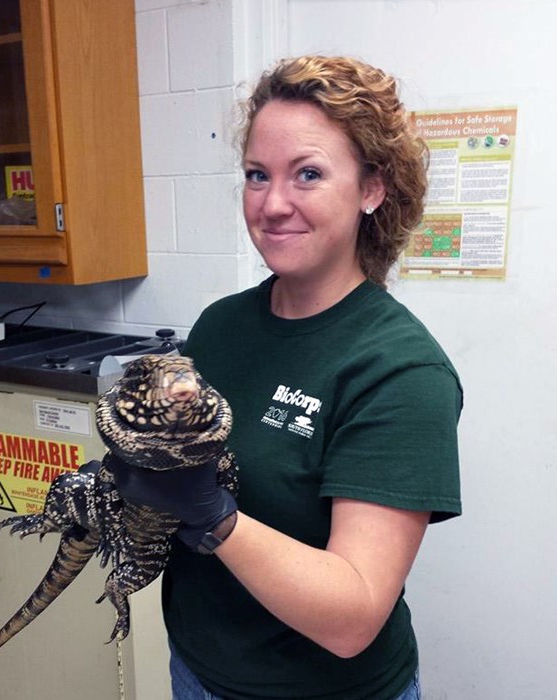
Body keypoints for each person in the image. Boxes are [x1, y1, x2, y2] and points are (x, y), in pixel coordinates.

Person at [114, 55, 463, 700]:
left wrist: (213, 516)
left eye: (308, 174)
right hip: (198, 670)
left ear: (371, 189)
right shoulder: (220, 326)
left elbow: (354, 616)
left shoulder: (400, 369)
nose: (273, 204)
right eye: (256, 175)